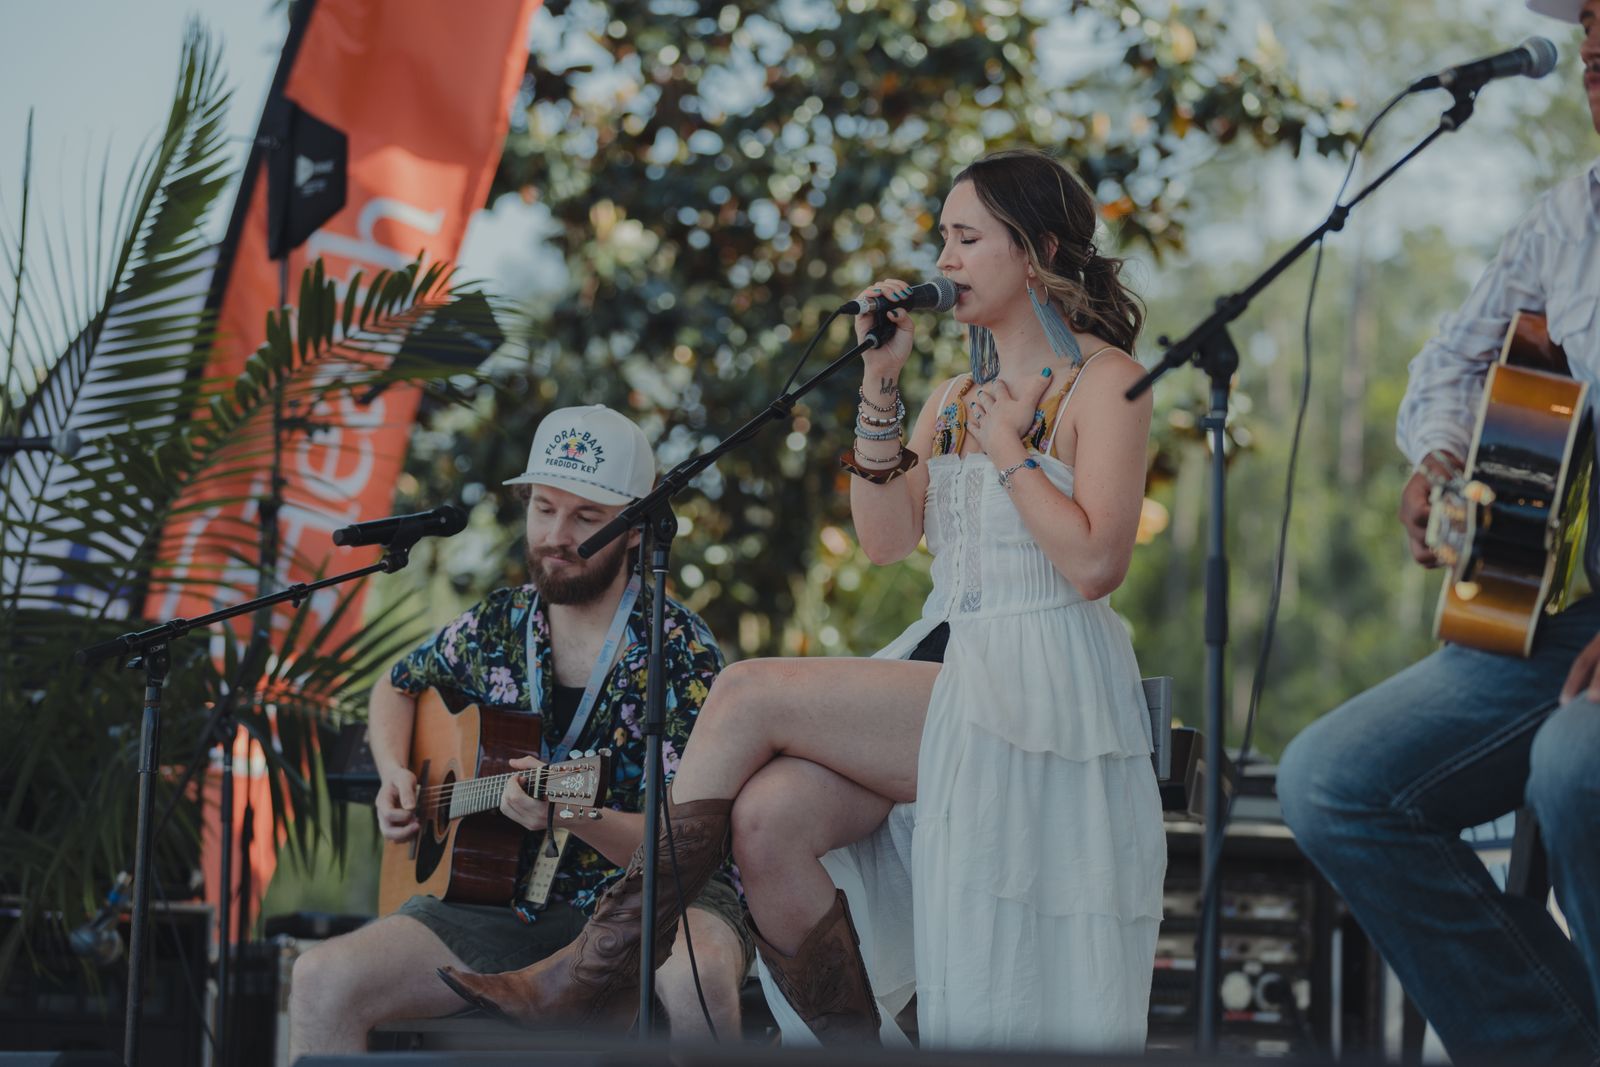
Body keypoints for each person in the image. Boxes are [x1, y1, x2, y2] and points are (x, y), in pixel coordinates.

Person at [440, 148, 1167, 1050]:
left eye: (968, 238)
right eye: (943, 237)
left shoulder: (1108, 383)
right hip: (953, 658)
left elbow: (1096, 564)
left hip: (1040, 680)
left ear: (1039, 250)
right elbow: (886, 539)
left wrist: (1013, 454)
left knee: (747, 689)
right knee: (767, 820)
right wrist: (880, 382)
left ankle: (592, 968)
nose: (943, 260)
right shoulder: (955, 398)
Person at [1276, 2, 1600, 1062]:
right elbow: (1454, 361)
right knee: (1332, 781)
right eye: (1591, 42)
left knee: (1576, 765)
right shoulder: (1570, 218)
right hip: (1562, 618)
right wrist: (1441, 455)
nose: (1594, 62)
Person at [287, 405, 753, 1056]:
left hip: (659, 900)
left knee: (695, 977)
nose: (555, 535)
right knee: (320, 979)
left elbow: (688, 847)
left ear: (636, 529)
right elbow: (396, 685)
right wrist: (395, 772)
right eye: (543, 507)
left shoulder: (681, 652)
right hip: (502, 904)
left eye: (586, 516)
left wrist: (573, 814)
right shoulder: (497, 624)